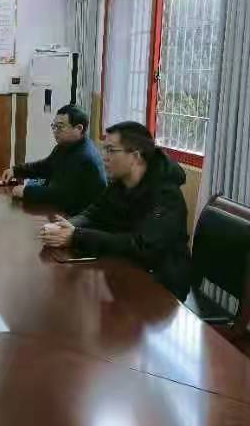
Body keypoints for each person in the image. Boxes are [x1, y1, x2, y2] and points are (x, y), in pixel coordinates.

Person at [40, 121, 191, 301]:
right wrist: (65, 227)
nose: (104, 157)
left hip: (161, 286)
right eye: (104, 149)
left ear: (135, 156)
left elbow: (142, 246)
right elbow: (93, 214)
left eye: (111, 150)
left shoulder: (166, 195)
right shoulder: (120, 184)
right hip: (125, 270)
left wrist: (76, 236)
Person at [2, 104, 106, 215]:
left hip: (81, 217)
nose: (55, 131)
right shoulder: (64, 147)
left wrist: (26, 192)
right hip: (63, 211)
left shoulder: (85, 157)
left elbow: (63, 195)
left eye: (60, 127)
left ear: (79, 128)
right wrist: (16, 170)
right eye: (54, 126)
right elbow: (45, 166)